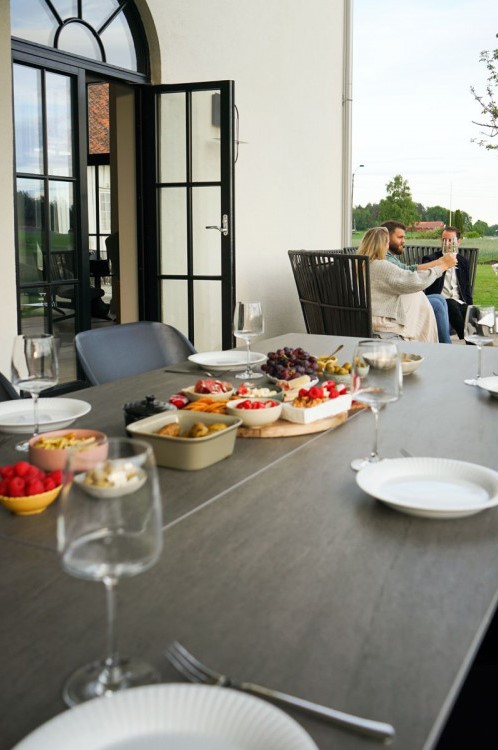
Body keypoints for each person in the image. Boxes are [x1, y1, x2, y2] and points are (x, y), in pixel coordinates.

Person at [358, 226, 447, 342]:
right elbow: (413, 281)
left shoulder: (358, 264)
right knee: (425, 301)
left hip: (366, 317)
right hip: (380, 322)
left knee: (426, 298)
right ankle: (435, 346)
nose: (388, 247)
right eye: (387, 243)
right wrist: (441, 267)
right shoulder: (381, 266)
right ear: (383, 245)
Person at [380, 221, 457, 343]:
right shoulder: (384, 259)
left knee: (439, 299)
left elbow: (408, 269)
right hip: (392, 305)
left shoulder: (388, 257)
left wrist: (440, 262)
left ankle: (445, 345)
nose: (404, 241)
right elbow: (408, 277)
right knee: (437, 303)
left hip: (396, 297)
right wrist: (441, 265)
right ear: (386, 238)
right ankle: (445, 346)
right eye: (400, 237)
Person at [421, 227, 472, 340]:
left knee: (470, 313)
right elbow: (424, 278)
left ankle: (473, 346)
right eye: (444, 240)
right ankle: (465, 338)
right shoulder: (430, 260)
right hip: (441, 302)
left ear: (458, 242)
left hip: (459, 303)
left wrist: (470, 307)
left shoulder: (463, 262)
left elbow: (467, 288)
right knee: (451, 304)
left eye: (450, 240)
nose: (447, 243)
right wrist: (443, 263)